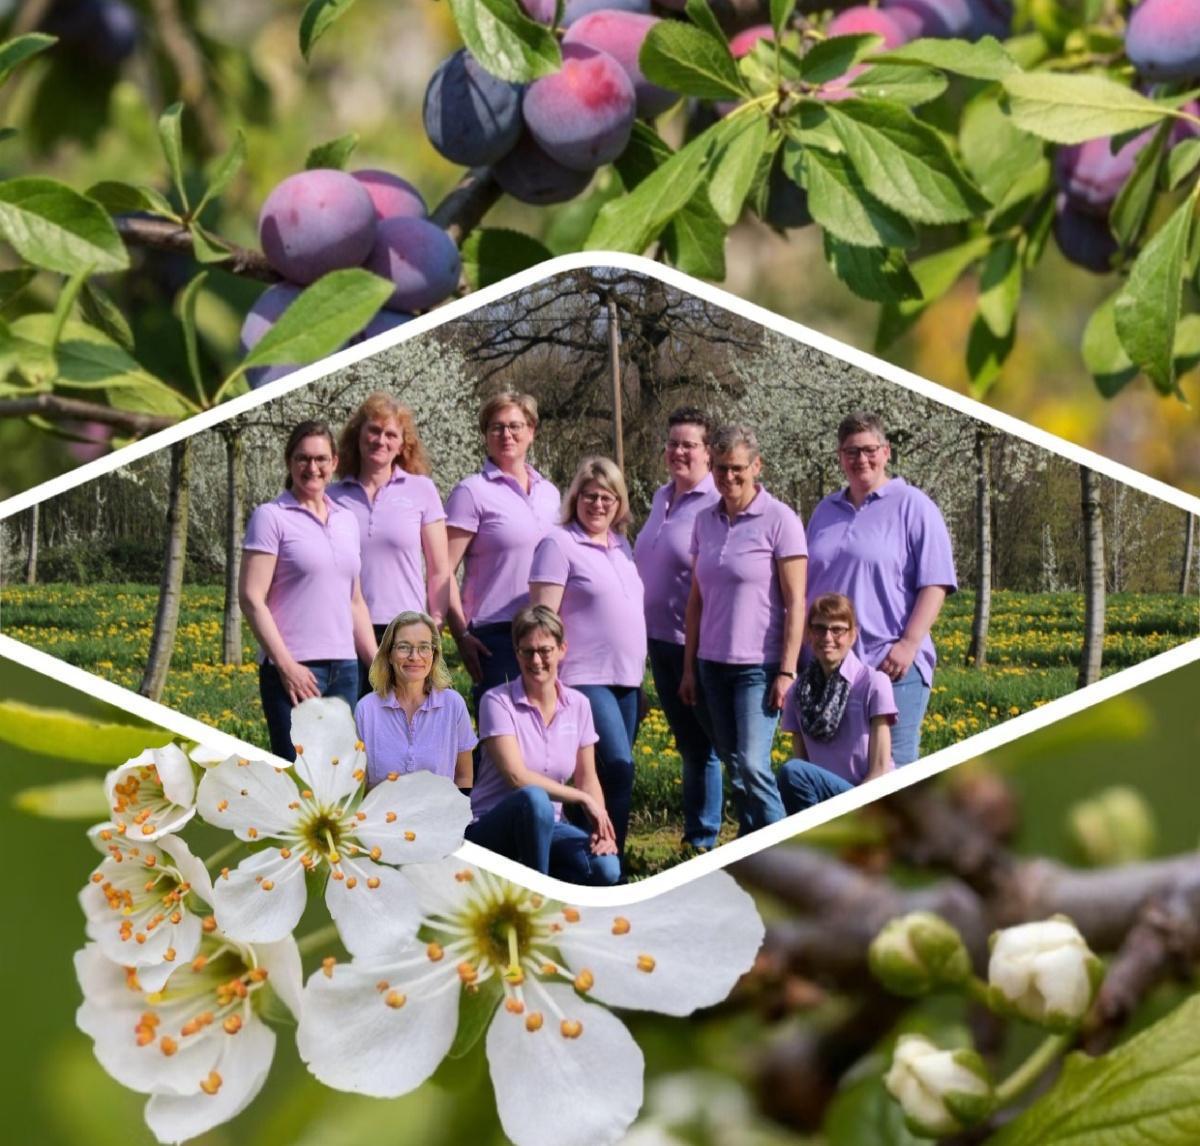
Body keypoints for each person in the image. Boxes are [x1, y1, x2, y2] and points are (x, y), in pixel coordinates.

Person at [805, 411, 957, 764]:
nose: (862, 459)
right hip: (833, 665)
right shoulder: (825, 511)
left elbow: (936, 582)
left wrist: (908, 644)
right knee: (841, 770)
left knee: (893, 771)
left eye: (869, 450)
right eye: (851, 452)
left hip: (891, 664)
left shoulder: (913, 506)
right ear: (840, 458)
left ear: (886, 452)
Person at [680, 425, 808, 836]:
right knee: (734, 766)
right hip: (711, 665)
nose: (728, 477)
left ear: (757, 466)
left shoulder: (780, 519)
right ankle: (754, 848)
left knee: (753, 764)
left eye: (737, 468)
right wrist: (688, 669)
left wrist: (787, 671)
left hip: (759, 666)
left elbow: (796, 602)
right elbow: (696, 601)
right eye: (720, 469)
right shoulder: (705, 521)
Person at [529, 456, 646, 861]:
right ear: (575, 498)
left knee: (601, 774)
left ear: (619, 503)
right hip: (584, 675)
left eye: (608, 498)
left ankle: (589, 855)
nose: (598, 505)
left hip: (626, 678)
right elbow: (542, 618)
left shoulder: (621, 545)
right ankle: (607, 852)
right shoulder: (558, 543)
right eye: (590, 497)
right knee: (618, 764)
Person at [240, 420, 376, 761]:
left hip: (345, 670)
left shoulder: (346, 520)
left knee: (338, 779)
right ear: (289, 462)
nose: (311, 468)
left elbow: (355, 601)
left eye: (320, 459)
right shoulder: (271, 517)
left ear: (334, 463)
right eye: (302, 458)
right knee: (297, 782)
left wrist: (377, 666)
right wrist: (286, 666)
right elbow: (251, 598)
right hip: (294, 671)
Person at [466, 605, 620, 886]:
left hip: (552, 827)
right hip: (492, 826)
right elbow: (517, 778)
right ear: (516, 653)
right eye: (527, 651)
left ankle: (545, 879)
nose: (536, 660)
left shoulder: (579, 705)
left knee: (606, 869)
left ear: (562, 649)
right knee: (535, 799)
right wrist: (582, 799)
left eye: (545, 650)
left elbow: (588, 779)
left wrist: (600, 822)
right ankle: (537, 895)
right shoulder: (496, 702)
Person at [632, 407, 723, 852]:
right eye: (673, 443)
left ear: (708, 453)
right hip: (658, 642)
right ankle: (696, 838)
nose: (679, 452)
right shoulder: (658, 496)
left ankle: (704, 838)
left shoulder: (715, 502)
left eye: (689, 444)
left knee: (705, 746)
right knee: (689, 745)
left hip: (696, 645)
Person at [329, 393, 451, 696]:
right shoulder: (331, 496)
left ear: (401, 445)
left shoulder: (421, 490)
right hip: (343, 631)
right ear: (358, 435)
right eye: (373, 430)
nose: (380, 440)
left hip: (405, 632)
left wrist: (435, 621)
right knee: (351, 732)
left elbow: (439, 568)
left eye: (390, 434)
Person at [445, 391, 561, 698]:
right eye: (496, 427)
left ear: (531, 432)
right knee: (500, 736)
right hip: (496, 635)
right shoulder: (471, 492)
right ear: (485, 435)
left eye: (515, 426)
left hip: (547, 631)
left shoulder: (550, 494)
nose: (506, 434)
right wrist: (461, 635)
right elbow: (442, 574)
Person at [776, 593, 896, 814]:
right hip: (822, 795)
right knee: (794, 773)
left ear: (853, 635)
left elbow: (880, 770)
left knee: (793, 772)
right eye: (820, 629)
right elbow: (803, 761)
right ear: (809, 634)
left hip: (869, 796)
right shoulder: (798, 692)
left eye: (837, 629)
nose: (828, 637)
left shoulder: (873, 683)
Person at [354, 610, 475, 790]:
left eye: (424, 647)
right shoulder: (366, 709)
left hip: (439, 816)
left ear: (434, 654)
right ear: (389, 654)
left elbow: (464, 776)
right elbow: (358, 785)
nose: (414, 656)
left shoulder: (453, 705)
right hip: (383, 816)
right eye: (404, 646)